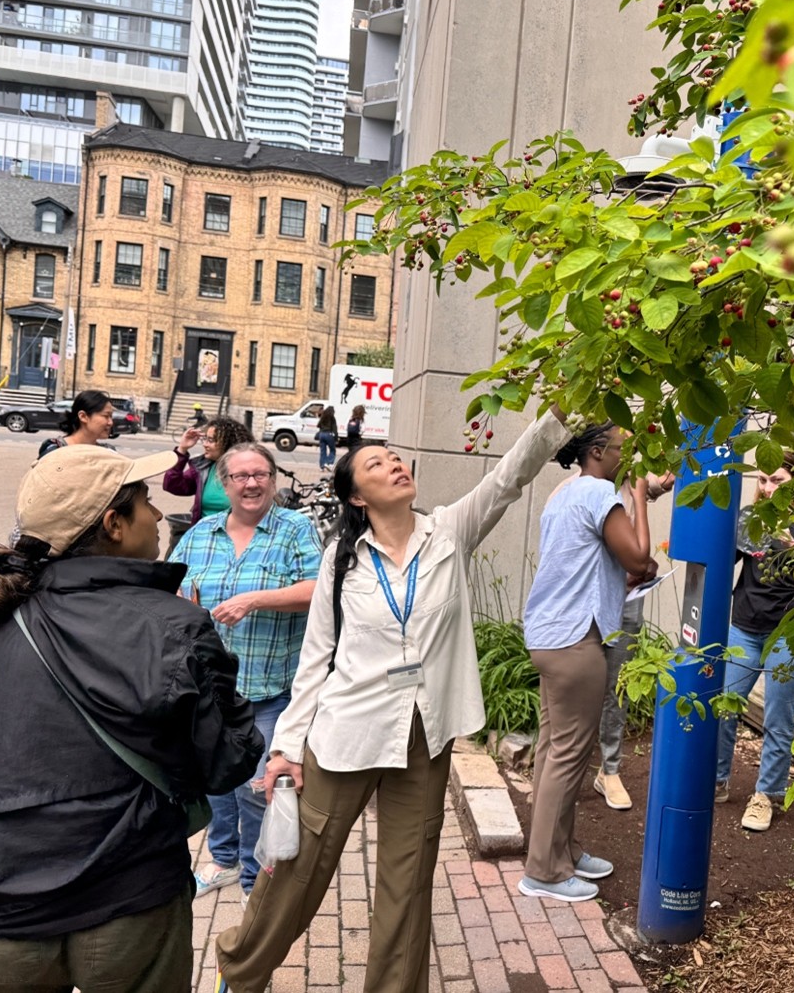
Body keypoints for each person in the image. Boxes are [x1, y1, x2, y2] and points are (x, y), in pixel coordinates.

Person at [214, 404, 574, 993]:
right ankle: (242, 967)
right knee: (300, 867)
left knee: (408, 882)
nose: (395, 466)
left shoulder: (448, 534)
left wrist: (560, 412)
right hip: (346, 731)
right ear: (357, 496)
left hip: (424, 734)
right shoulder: (342, 560)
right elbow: (317, 657)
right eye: (376, 464)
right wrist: (287, 748)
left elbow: (508, 476)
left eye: (395, 458)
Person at [0, 445, 264, 992]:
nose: (156, 514)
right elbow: (229, 761)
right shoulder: (173, 626)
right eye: (145, 501)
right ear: (114, 524)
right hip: (130, 901)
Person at [170, 442, 320, 902]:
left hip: (270, 688)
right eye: (240, 476)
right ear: (224, 483)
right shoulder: (200, 534)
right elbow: (171, 588)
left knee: (259, 787)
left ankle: (258, 879)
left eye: (260, 474)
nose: (251, 483)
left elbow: (318, 589)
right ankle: (224, 859)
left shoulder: (296, 529)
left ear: (273, 480)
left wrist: (255, 599)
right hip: (212, 689)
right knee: (216, 780)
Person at [519, 424, 657, 902]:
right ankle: (544, 871)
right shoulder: (601, 494)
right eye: (625, 449)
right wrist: (638, 492)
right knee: (569, 755)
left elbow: (599, 563)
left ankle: (562, 851)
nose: (630, 456)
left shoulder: (565, 494)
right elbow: (639, 556)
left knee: (552, 749)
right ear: (598, 452)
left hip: (551, 634)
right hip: (578, 640)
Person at [714, 468, 794, 833]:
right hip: (744, 626)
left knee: (778, 717)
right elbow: (724, 562)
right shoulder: (750, 518)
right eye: (761, 480)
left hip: (790, 635)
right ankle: (717, 780)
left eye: (776, 479)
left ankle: (766, 795)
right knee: (725, 706)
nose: (767, 487)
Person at [594, 471, 674, 811]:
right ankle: (564, 765)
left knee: (617, 687)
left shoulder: (634, 481)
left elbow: (658, 480)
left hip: (628, 600)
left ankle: (609, 770)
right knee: (579, 685)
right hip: (591, 601)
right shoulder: (585, 489)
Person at [164, 417, 255, 526]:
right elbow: (172, 485)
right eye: (205, 439)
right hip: (203, 537)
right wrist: (182, 449)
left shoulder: (250, 472)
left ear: (228, 443)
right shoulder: (203, 467)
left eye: (211, 440)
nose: (205, 444)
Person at [38, 390, 114, 459]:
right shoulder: (54, 450)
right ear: (83, 416)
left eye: (111, 417)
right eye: (106, 416)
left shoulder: (108, 453)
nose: (110, 422)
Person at [316, 406, 338, 471]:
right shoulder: (332, 417)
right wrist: (336, 438)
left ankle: (322, 466)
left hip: (321, 434)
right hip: (329, 434)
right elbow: (334, 429)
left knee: (323, 451)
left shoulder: (323, 416)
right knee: (332, 450)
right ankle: (329, 463)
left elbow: (318, 425)